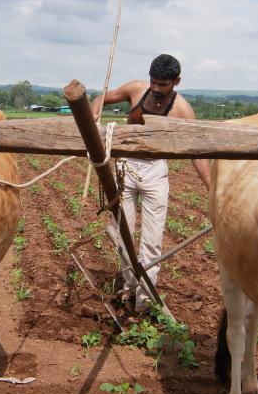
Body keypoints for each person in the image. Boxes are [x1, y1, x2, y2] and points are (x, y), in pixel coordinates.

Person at [90, 54, 211, 312]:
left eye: (163, 84)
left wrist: (212, 188)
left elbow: (196, 152)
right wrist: (92, 122)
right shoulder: (136, 90)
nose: (156, 89)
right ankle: (127, 288)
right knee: (124, 234)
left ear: (176, 82)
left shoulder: (183, 111)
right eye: (153, 82)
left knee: (152, 241)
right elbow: (101, 98)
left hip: (156, 171)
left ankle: (144, 301)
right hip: (125, 168)